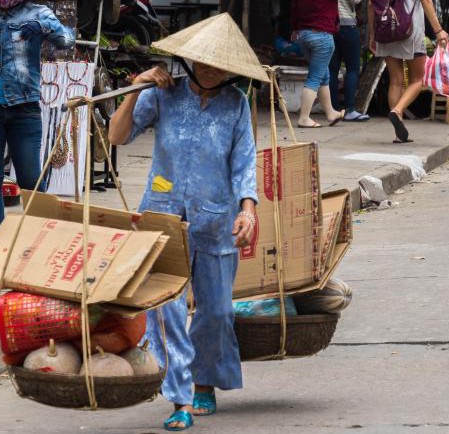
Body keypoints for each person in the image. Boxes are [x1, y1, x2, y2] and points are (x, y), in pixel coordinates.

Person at [107, 13, 264, 432]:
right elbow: (117, 137)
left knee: (214, 312)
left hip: (217, 221)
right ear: (189, 59)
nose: (212, 69)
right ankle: (179, 397)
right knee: (168, 312)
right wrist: (136, 88)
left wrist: (248, 209)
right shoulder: (163, 96)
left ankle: (204, 379)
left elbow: (244, 166)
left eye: (221, 64)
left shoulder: (237, 106)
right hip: (163, 218)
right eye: (205, 60)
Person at [0, 0, 74, 243]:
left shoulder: (39, 13)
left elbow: (67, 40)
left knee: (30, 179)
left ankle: (37, 242)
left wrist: (43, 27)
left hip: (25, 109)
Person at [367, 0, 448, 143]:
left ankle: (399, 134)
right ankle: (397, 110)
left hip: (385, 31)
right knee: (418, 80)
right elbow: (426, 1)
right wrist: (438, 30)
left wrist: (372, 35)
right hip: (410, 31)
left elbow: (370, 5)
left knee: (395, 81)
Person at [291, 0, 346, 128]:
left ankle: (330, 113)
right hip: (322, 34)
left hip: (302, 35)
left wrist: (294, 28)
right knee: (315, 77)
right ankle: (304, 118)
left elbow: (294, 10)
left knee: (323, 74)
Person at [329, 0, 370, 122]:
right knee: (352, 68)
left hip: (330, 26)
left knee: (332, 69)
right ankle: (350, 109)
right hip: (347, 26)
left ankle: (334, 109)